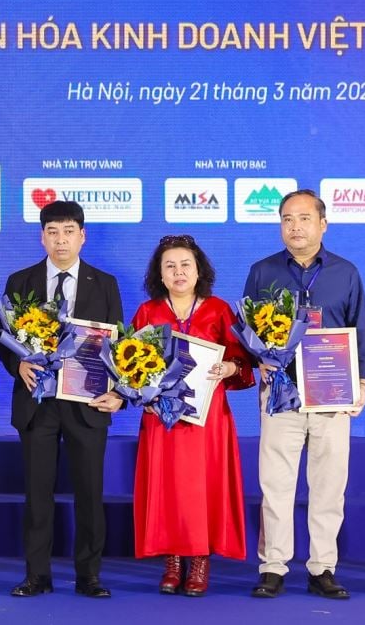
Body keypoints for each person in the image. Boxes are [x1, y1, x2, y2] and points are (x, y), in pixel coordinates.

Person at [242, 188, 365, 600]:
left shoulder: (345, 272)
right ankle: (273, 566)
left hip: (332, 392)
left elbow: (360, 329)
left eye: (304, 218)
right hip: (281, 392)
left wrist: (362, 383)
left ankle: (322, 568)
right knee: (275, 483)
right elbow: (247, 331)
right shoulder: (262, 271)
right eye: (287, 219)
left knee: (329, 484)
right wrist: (257, 359)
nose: (295, 227)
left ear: (323, 224)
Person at [0, 199, 123, 599]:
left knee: (90, 493)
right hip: (37, 404)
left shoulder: (105, 284)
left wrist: (118, 391)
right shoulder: (20, 281)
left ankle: (89, 576)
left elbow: (117, 343)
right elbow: (1, 337)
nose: (61, 240)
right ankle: (37, 575)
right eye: (52, 232)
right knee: (38, 495)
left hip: (88, 403)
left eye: (69, 231)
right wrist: (18, 365)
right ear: (42, 237)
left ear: (82, 236)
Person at [131, 234, 253, 597]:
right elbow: (128, 364)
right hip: (162, 416)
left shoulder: (219, 310)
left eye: (186, 264)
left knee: (202, 487)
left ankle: (199, 559)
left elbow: (244, 362)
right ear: (160, 275)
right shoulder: (148, 312)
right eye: (169, 266)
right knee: (167, 487)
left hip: (208, 417)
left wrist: (230, 367)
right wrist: (141, 391)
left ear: (199, 271)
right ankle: (172, 560)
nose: (178, 272)